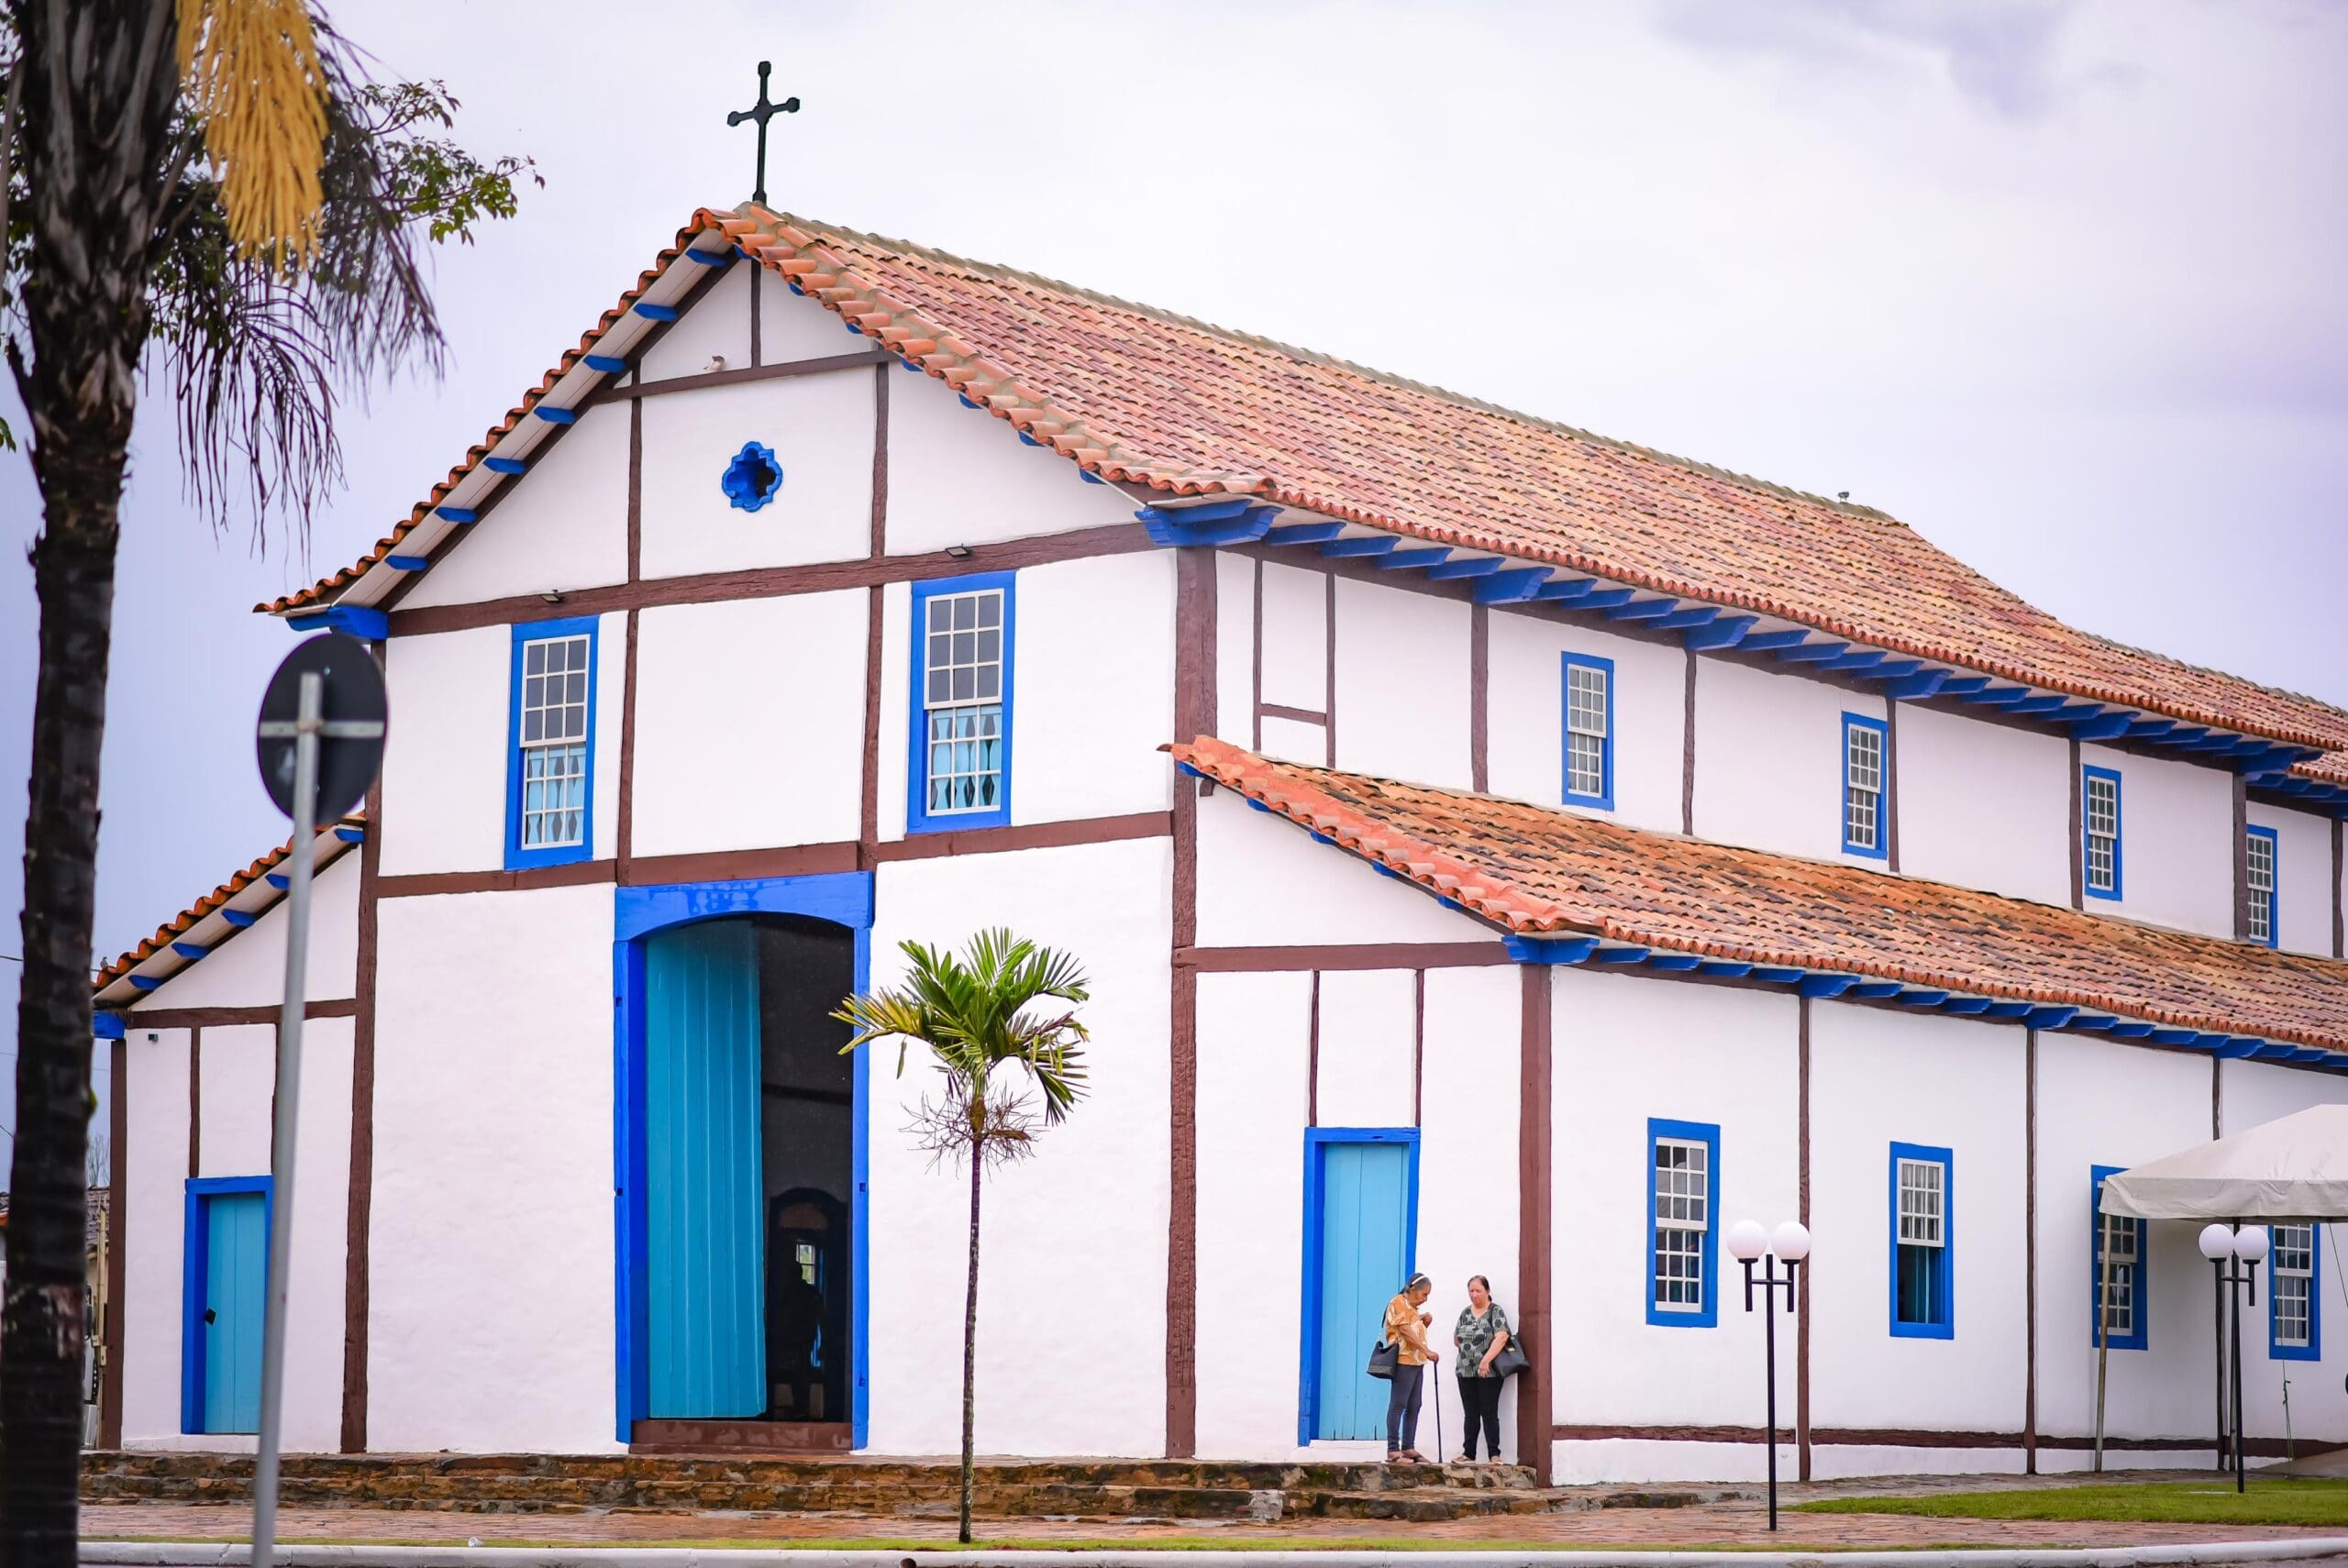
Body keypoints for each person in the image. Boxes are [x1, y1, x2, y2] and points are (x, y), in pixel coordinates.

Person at [1453, 1274, 1512, 1463]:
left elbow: (1502, 1336)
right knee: (1470, 1414)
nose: (1474, 1294)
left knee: (1489, 1412)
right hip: (1465, 1370)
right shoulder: (1465, 1313)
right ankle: (1468, 1453)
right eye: (1471, 1291)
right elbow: (1456, 1339)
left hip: (1489, 1372)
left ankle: (1494, 1454)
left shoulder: (1495, 1311)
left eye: (1478, 1290)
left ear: (1487, 1291)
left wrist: (1485, 1360)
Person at [1382, 1273, 1438, 1463]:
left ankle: (1408, 1446)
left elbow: (1413, 1332)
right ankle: (1393, 1449)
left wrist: (1423, 1322)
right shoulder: (1398, 1302)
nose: (1426, 1299)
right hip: (1403, 1361)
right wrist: (1427, 1351)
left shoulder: (1412, 1308)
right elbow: (1405, 1332)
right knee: (1398, 1404)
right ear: (1413, 1290)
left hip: (1416, 1362)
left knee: (1415, 1405)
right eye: (1424, 1294)